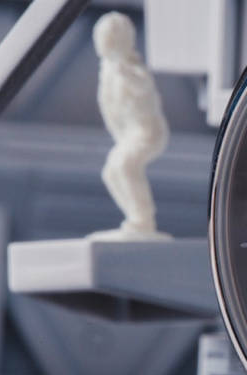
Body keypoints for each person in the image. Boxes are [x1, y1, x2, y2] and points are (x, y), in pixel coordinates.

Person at [90, 12, 169, 240]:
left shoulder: (129, 66)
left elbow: (143, 85)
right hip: (128, 134)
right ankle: (135, 218)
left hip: (147, 132)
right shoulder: (107, 69)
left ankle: (142, 220)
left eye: (108, 39)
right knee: (110, 172)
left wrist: (124, 72)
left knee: (125, 166)